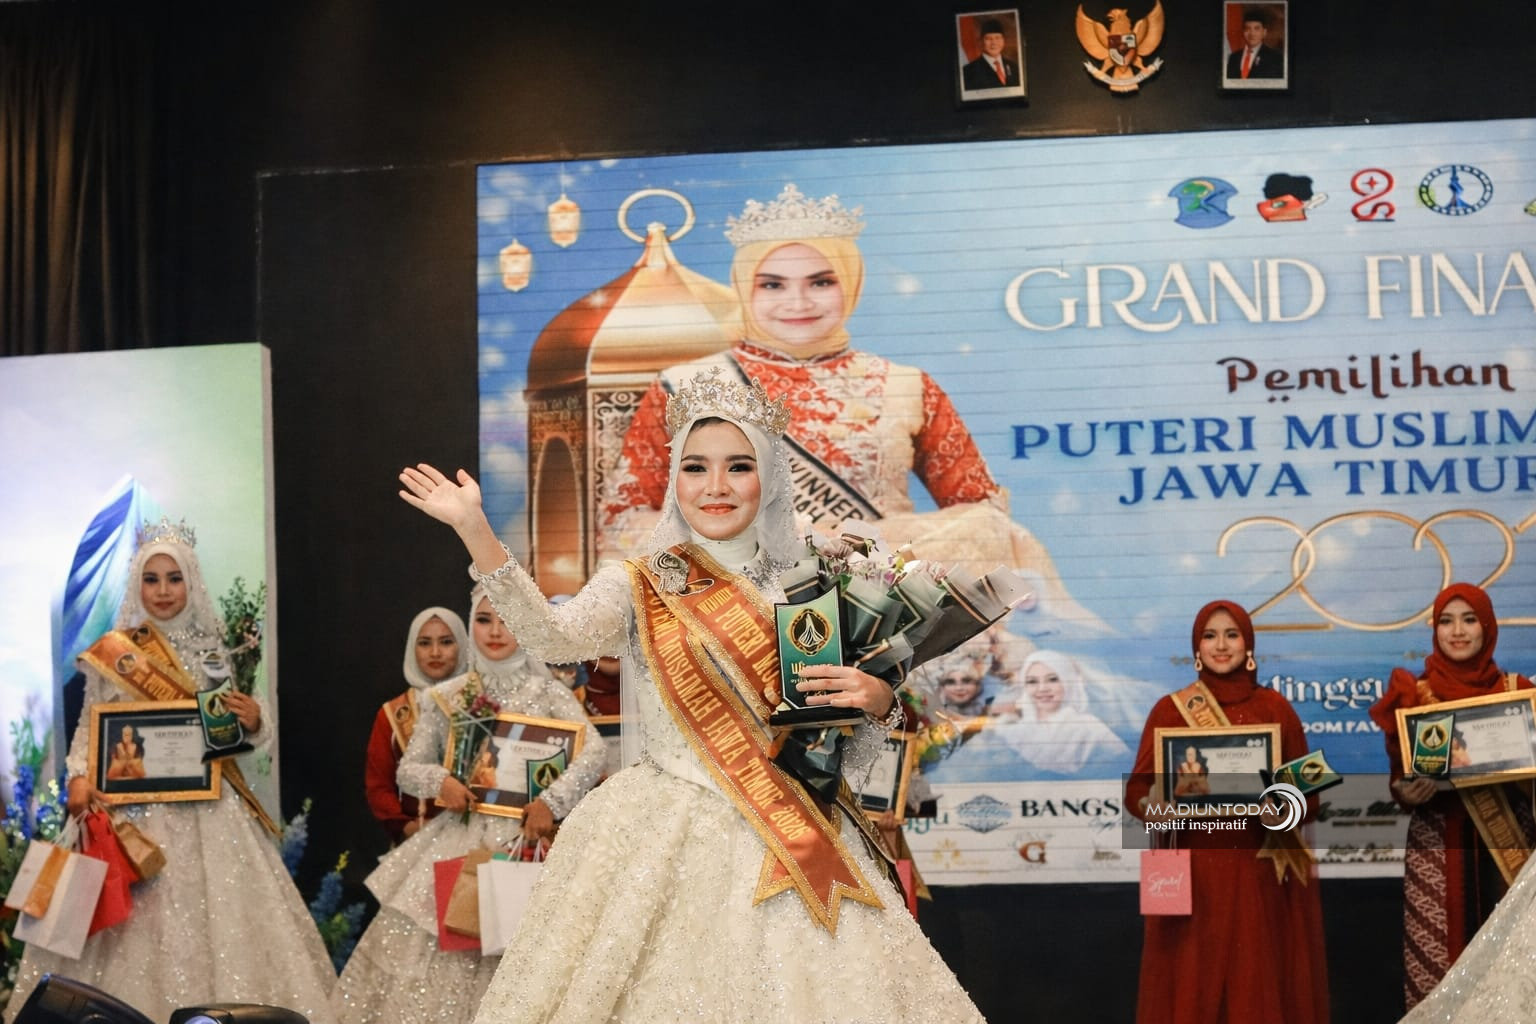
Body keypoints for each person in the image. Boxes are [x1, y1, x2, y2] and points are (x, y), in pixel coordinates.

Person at [399, 371, 986, 1021]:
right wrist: (475, 531)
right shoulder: (638, 582)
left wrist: (877, 697)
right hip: (662, 828)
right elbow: (553, 639)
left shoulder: (817, 581)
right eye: (695, 467)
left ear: (769, 477)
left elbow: (842, 742)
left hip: (794, 821)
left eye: (739, 466)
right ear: (674, 477)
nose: (716, 486)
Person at [601, 183, 1101, 636]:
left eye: (821, 282)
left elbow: (983, 514)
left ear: (851, 282)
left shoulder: (906, 386)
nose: (798, 301)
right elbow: (626, 519)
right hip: (737, 610)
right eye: (772, 284)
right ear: (744, 287)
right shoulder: (683, 387)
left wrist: (857, 550)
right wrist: (773, 543)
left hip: (881, 613)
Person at [4, 519, 338, 1024]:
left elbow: (235, 738)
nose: (163, 590)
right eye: (152, 579)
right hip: (132, 816)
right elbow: (88, 732)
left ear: (192, 581)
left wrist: (254, 721)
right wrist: (77, 778)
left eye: (174, 578)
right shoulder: (116, 653)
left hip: (209, 813)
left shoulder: (218, 651)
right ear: (137, 584)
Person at [333, 587, 605, 1024]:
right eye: (483, 620)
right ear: (471, 625)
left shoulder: (550, 694)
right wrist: (442, 783)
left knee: (525, 952)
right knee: (450, 949)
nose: (495, 631)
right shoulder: (449, 694)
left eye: (508, 620)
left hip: (524, 841)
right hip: (460, 838)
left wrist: (550, 803)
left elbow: (594, 753)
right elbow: (408, 770)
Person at [1124, 600, 1329, 1024]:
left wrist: (1281, 810)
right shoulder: (1170, 710)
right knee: (1192, 988)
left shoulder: (1277, 709)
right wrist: (1156, 808)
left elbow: (1311, 800)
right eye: (1210, 635)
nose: (1221, 645)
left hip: (1260, 873)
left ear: (1248, 645)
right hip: (1193, 874)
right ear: (1196, 648)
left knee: (1255, 988)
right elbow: (1137, 792)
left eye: (1232, 635)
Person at [1368, 583, 1535, 1011]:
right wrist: (1406, 791)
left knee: (1511, 971)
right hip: (1437, 848)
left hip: (1510, 842)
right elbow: (1400, 782)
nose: (1457, 631)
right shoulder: (1415, 696)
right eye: (1446, 621)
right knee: (1437, 973)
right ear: (1435, 630)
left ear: (1487, 627)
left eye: (1469, 620)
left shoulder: (1518, 691)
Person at [364, 606, 469, 843]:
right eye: (424, 643)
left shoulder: (482, 704)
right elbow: (379, 786)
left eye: (446, 642)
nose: (435, 652)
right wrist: (408, 827)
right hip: (416, 837)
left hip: (475, 834)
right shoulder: (393, 714)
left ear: (463, 646)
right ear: (412, 648)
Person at [993, 649, 1130, 776]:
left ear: (1067, 682)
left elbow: (1125, 765)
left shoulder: (1089, 727)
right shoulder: (1013, 731)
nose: (1042, 688)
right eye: (1032, 681)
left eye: (1052, 679)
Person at [962, 18, 1020, 91]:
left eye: (997, 38)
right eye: (988, 39)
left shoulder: (1014, 67)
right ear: (981, 41)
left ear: (1003, 40)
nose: (994, 43)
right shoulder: (969, 71)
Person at [1225, 7, 1283, 80]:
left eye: (1256, 28)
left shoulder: (1275, 58)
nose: (1252, 33)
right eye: (1247, 28)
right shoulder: (1233, 57)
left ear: (1264, 32)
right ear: (1243, 32)